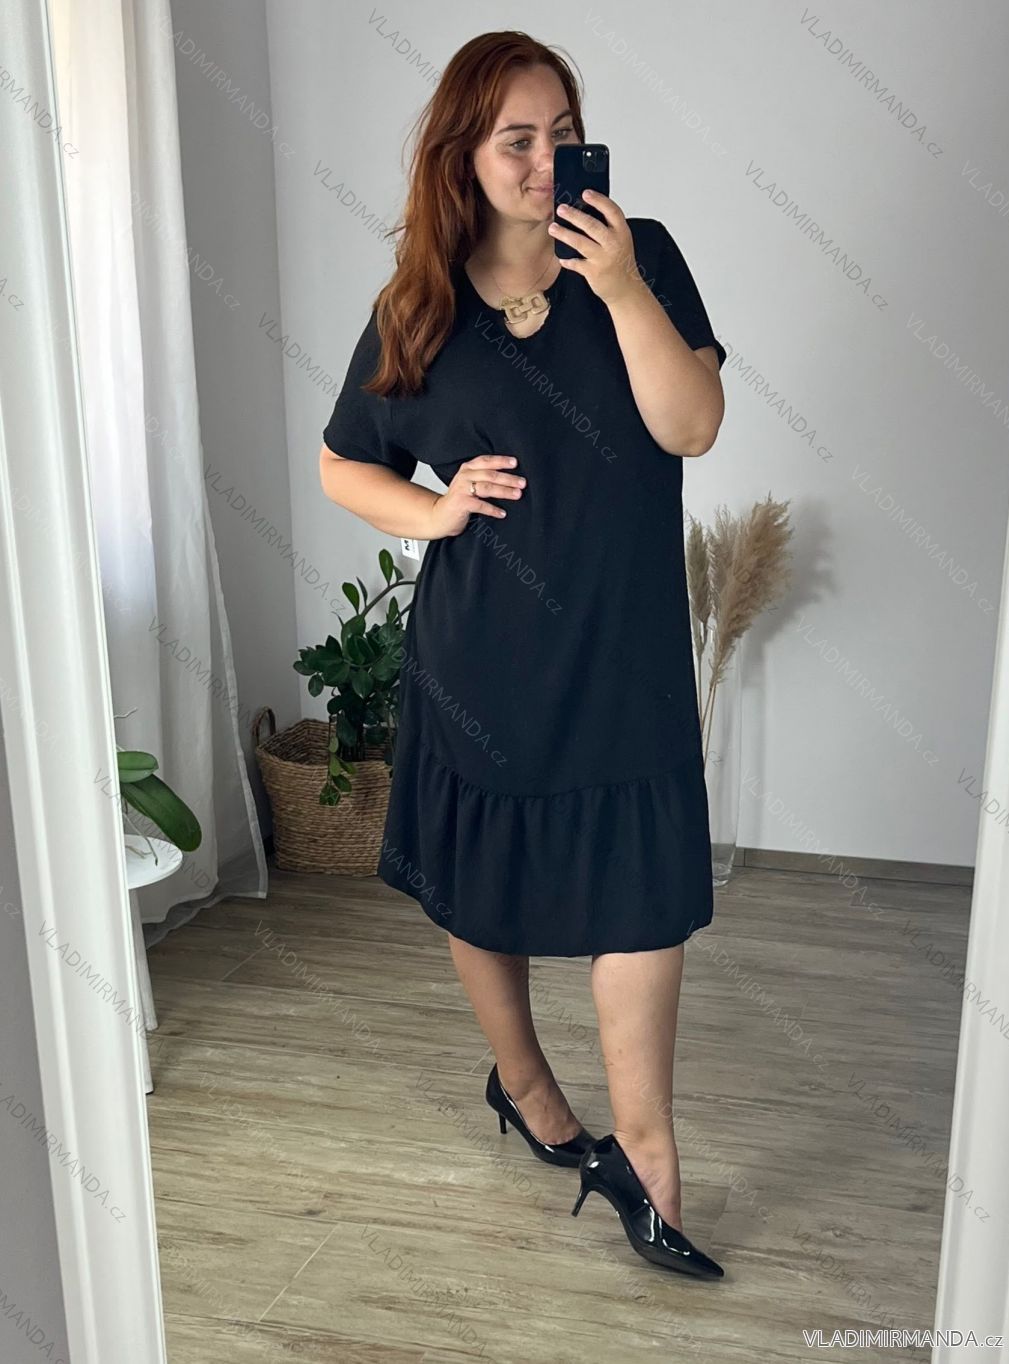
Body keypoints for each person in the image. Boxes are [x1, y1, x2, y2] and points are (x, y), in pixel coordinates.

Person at [319, 30, 726, 1280]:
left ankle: (646, 1161)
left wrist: (621, 290)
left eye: (565, 133)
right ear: (464, 153)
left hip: (624, 652)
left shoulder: (642, 255)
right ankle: (527, 1083)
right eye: (517, 139)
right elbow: (343, 461)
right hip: (482, 654)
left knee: (641, 893)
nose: (548, 159)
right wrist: (435, 511)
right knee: (480, 873)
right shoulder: (420, 306)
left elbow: (692, 426)